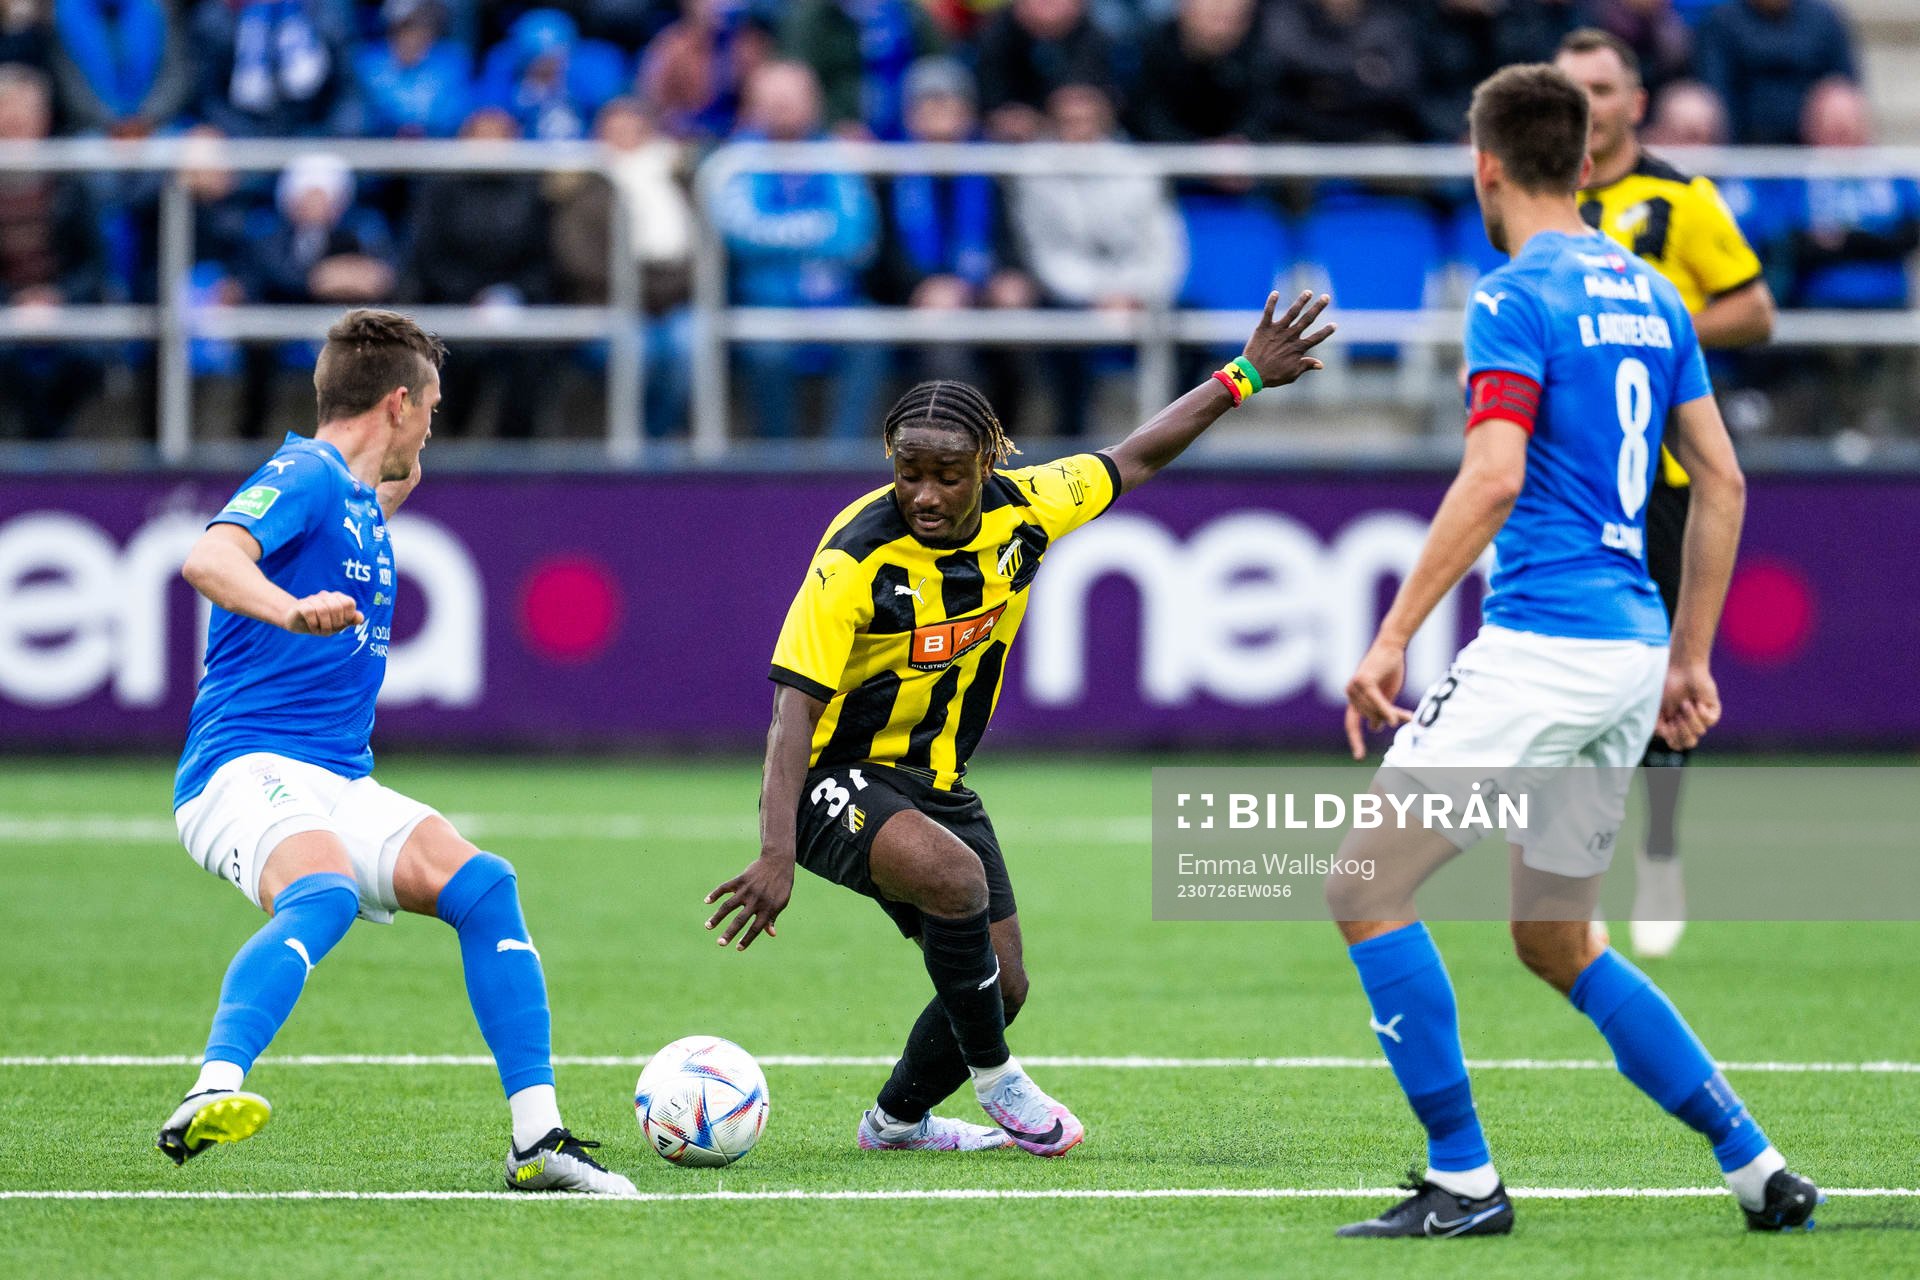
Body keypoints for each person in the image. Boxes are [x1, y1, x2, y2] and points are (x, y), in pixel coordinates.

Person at [1331, 63, 1817, 1239]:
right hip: (1631, 649)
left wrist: (1392, 635)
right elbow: (1723, 477)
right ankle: (1756, 1165)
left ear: (1485, 164)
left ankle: (1464, 1179)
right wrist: (1690, 660)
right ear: (1588, 160)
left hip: (1546, 641)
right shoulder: (1654, 292)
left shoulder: (1514, 292)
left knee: (1363, 885)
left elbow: (1494, 474)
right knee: (1555, 935)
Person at [705, 292, 1332, 1156]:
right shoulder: (854, 557)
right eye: (908, 472)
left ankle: (895, 1124)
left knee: (1005, 984)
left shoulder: (1031, 506)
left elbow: (1135, 456)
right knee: (957, 882)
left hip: (935, 781)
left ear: (988, 462)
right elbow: (792, 711)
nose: (925, 494)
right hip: (831, 779)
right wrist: (778, 851)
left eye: (948, 475)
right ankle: (1002, 1084)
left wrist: (1246, 374)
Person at [158, 309, 633, 1195]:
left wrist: (395, 451)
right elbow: (208, 557)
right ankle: (210, 1090)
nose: (435, 424)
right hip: (242, 766)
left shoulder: (360, 498)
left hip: (336, 776)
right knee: (325, 893)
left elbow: (384, 483)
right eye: (434, 407)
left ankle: (539, 1144)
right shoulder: (304, 472)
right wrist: (288, 607)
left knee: (486, 887)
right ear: (401, 402)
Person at [1556, 28, 1774, 958]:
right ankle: (1576, 875)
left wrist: (1649, 321)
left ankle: (1662, 848)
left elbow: (1756, 309)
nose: (1587, 108)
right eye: (1569, 92)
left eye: (1602, 90)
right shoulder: (1537, 203)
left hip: (1663, 479)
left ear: (1635, 102)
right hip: (1562, 480)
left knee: (1662, 675)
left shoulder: (1681, 201)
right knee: (1567, 671)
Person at [714, 59, 885, 440]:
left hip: (836, 301)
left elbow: (857, 237)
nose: (782, 108)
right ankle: (779, 458)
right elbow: (739, 235)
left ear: (814, 102)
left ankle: (842, 457)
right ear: (754, 105)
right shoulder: (735, 159)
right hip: (764, 302)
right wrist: (818, 227)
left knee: (871, 334)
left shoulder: (837, 155)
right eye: (772, 99)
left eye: (791, 99)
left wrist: (779, 235)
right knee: (767, 351)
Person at [0, 62, 106, 440]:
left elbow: (94, 265)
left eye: (26, 111)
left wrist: (56, 299)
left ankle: (53, 458)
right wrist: (16, 305)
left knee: (83, 360)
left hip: (63, 307)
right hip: (8, 309)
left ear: (44, 117)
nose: (16, 122)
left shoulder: (71, 183)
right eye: (7, 110)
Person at [1693, 0, 1858, 145]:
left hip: (1811, 132)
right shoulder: (1722, 20)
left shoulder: (1823, 17)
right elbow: (1714, 86)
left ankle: (1838, 177)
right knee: (1694, 111)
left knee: (1841, 103)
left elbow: (1846, 80)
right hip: (1741, 132)